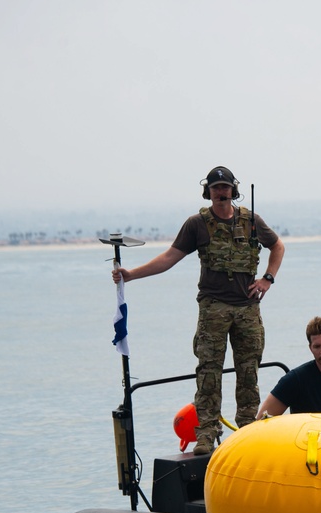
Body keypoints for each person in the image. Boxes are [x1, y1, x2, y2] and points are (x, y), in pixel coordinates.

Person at [112, 166, 285, 455]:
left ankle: (248, 431)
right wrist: (132, 275)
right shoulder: (197, 224)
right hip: (213, 308)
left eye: (225, 187)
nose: (221, 192)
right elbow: (169, 257)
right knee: (208, 372)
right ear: (208, 191)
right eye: (216, 187)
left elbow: (277, 246)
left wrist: (267, 278)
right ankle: (206, 432)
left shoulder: (250, 220)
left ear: (233, 190)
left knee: (248, 372)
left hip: (247, 309)